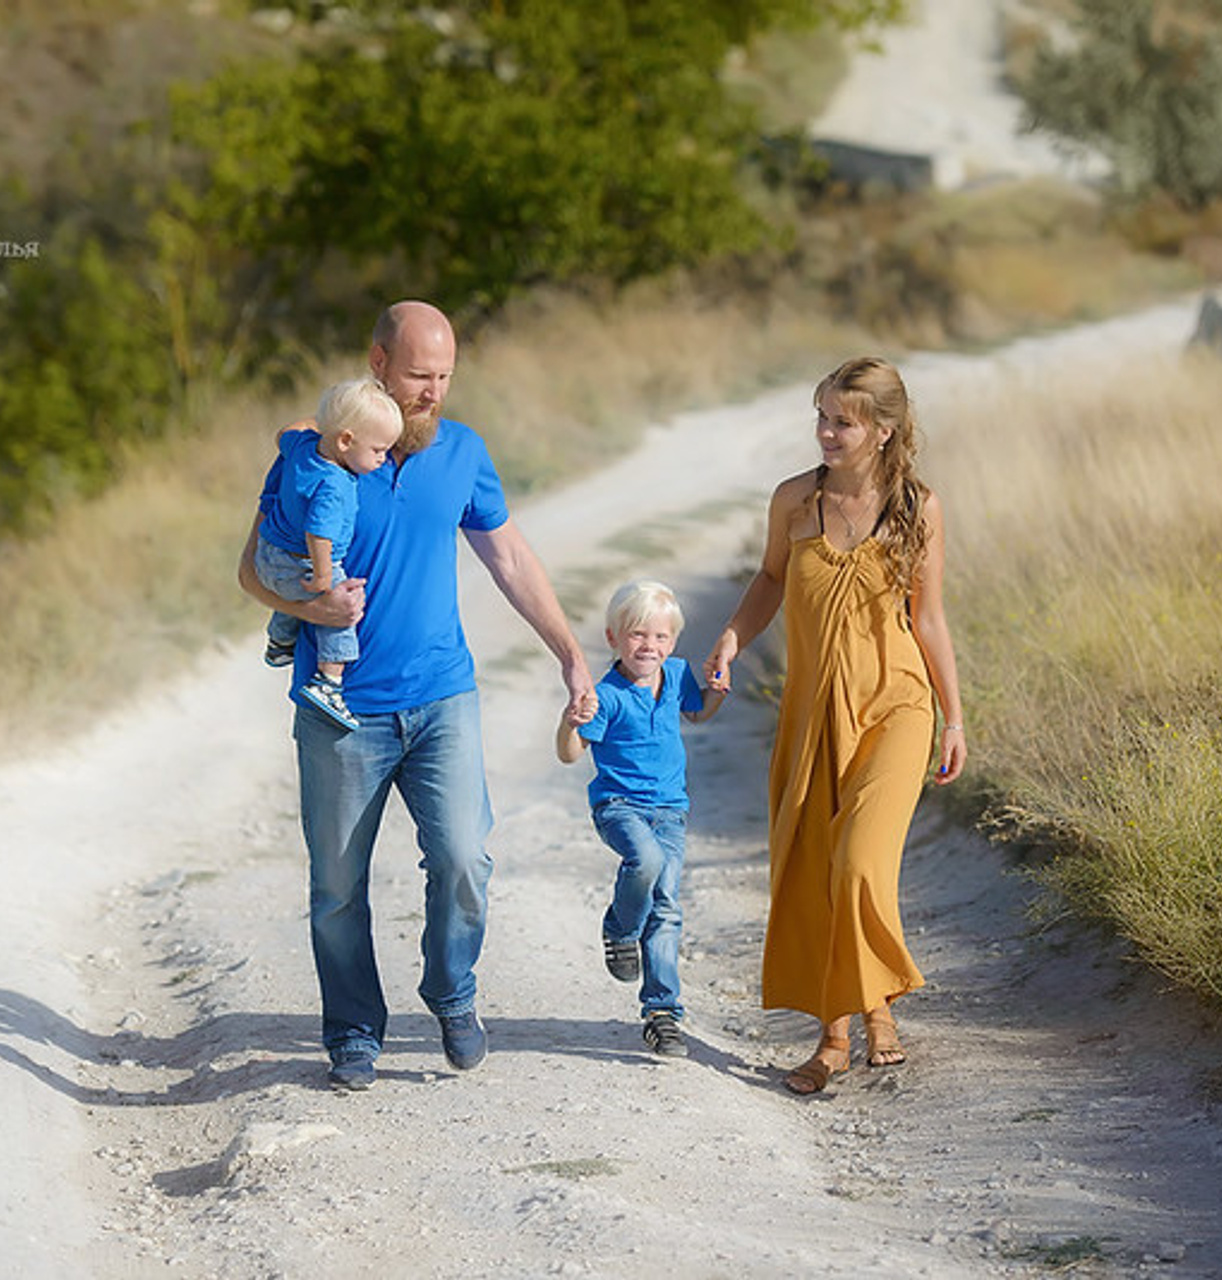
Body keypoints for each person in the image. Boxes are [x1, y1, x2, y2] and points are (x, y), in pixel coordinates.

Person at [238, 300, 595, 1091]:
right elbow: (252, 570)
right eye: (418, 375)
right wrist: (312, 609)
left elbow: (509, 557)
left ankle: (451, 989)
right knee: (337, 886)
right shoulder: (316, 460)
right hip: (342, 710)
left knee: (466, 857)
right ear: (377, 364)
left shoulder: (463, 451)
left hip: (442, 698)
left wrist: (572, 655)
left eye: (444, 376)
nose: (433, 391)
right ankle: (355, 1032)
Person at [703, 357, 966, 1096]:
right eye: (820, 416)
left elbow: (931, 618)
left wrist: (954, 716)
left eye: (841, 421)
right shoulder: (794, 500)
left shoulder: (919, 507)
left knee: (857, 864)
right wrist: (731, 638)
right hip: (814, 710)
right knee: (819, 870)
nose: (825, 432)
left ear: (881, 431)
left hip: (898, 706)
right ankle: (837, 1035)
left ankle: (873, 1006)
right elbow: (770, 580)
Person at [556, 580, 726, 1058]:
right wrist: (570, 720)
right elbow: (570, 754)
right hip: (619, 807)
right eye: (637, 635)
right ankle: (620, 928)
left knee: (668, 906)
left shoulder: (675, 676)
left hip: (671, 810)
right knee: (646, 864)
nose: (649, 646)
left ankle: (663, 1014)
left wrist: (716, 691)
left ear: (672, 642)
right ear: (613, 638)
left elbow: (698, 714)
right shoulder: (605, 695)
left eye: (660, 637)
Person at [254, 376, 403, 731]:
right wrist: (324, 578)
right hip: (301, 559)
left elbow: (283, 435)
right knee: (342, 607)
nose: (384, 459)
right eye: (379, 450)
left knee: (297, 585)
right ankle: (328, 683)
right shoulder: (334, 485)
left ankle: (280, 640)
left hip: (269, 554)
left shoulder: (305, 445)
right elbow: (318, 533)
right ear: (346, 440)